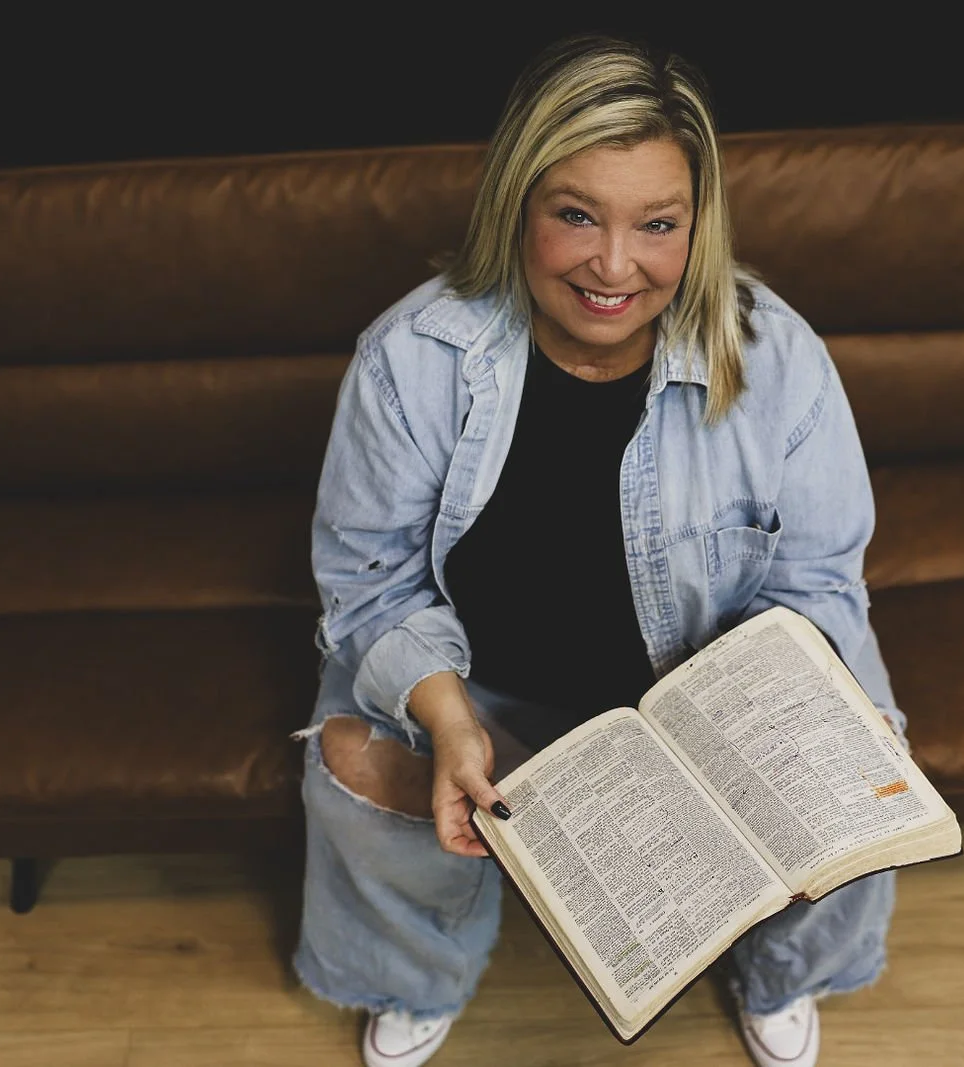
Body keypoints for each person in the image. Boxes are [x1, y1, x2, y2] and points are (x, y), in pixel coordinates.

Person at [292, 33, 909, 1067]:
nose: (613, 265)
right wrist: (444, 717)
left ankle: (779, 974)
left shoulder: (778, 357)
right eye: (576, 214)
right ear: (518, 205)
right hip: (482, 689)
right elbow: (368, 583)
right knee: (353, 763)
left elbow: (818, 583)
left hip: (706, 693)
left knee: (859, 780)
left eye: (656, 224)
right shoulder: (409, 359)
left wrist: (767, 731)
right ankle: (413, 971)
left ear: (695, 226)